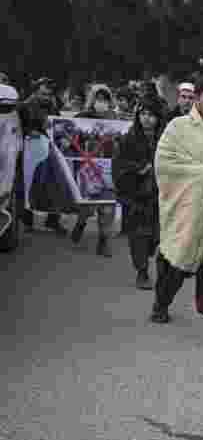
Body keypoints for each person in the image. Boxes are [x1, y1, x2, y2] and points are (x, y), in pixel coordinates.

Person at [151, 63, 203, 323]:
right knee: (175, 264)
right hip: (187, 209)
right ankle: (161, 304)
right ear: (197, 98)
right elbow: (165, 163)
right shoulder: (178, 127)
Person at [114, 93, 165, 289]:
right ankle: (142, 272)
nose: (147, 118)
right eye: (143, 113)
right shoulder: (129, 139)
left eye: (151, 114)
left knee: (155, 238)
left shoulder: (166, 139)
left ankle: (149, 261)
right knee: (139, 237)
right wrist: (138, 169)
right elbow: (119, 165)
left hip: (160, 197)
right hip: (137, 197)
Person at [71, 84, 118, 256]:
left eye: (105, 99)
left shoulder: (114, 118)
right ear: (92, 100)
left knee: (107, 206)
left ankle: (103, 241)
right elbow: (71, 135)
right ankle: (81, 223)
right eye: (98, 99)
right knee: (88, 203)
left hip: (108, 166)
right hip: (88, 166)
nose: (102, 103)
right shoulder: (81, 117)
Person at [25, 77, 68, 234]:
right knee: (30, 183)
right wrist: (30, 132)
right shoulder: (25, 106)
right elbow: (19, 127)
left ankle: (53, 220)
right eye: (43, 93)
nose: (46, 97)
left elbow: (57, 124)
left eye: (48, 94)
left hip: (50, 149)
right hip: (30, 151)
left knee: (54, 183)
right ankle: (27, 221)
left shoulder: (52, 105)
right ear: (35, 92)